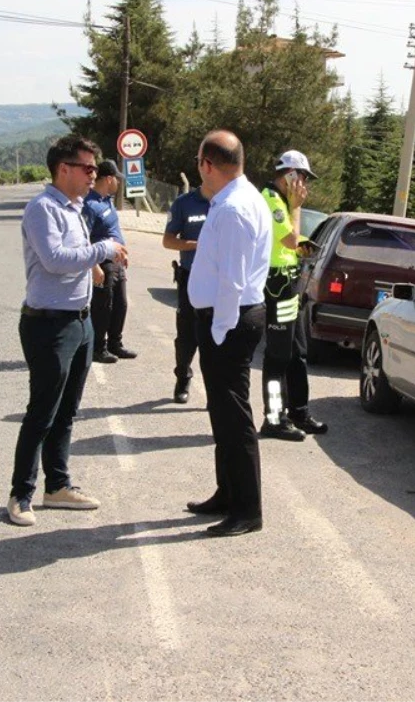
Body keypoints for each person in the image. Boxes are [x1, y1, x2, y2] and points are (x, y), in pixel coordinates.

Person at [7, 135, 128, 527]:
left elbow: (77, 254)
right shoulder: (43, 208)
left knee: (67, 412)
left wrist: (93, 266)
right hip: (48, 324)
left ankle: (57, 486)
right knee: (42, 412)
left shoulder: (75, 208)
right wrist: (104, 251)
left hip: (80, 321)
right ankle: (20, 494)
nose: (95, 175)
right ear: (64, 169)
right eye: (88, 168)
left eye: (95, 168)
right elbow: (56, 260)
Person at [185, 130, 272, 537]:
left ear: (207, 164)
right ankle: (228, 493)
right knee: (221, 414)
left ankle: (248, 510)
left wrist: (218, 332)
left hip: (230, 322)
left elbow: (232, 283)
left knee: (235, 419)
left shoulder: (234, 208)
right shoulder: (235, 199)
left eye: (198, 162)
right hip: (227, 320)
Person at [258, 150, 329, 441]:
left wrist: (304, 246)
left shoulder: (283, 201)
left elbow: (292, 243)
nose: (304, 185)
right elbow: (288, 237)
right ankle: (274, 419)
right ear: (289, 175)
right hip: (276, 283)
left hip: (290, 282)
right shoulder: (272, 200)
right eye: (301, 178)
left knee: (298, 352)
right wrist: (296, 207)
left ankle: (299, 411)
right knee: (277, 355)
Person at [163, 184, 211, 403]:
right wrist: (196, 245)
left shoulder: (230, 202)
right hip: (190, 278)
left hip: (220, 283)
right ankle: (183, 377)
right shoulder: (184, 203)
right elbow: (168, 240)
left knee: (217, 339)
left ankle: (216, 390)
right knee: (186, 337)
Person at [84, 159, 136, 364]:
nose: (119, 183)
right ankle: (98, 347)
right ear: (108, 179)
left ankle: (116, 343)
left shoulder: (107, 200)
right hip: (102, 262)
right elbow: (83, 238)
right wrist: (94, 267)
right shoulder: (90, 205)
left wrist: (123, 254)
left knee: (120, 305)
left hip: (116, 262)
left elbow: (114, 230)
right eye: (116, 179)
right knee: (102, 307)